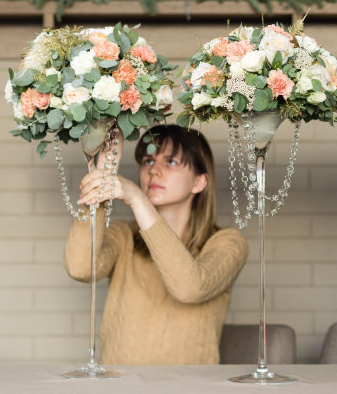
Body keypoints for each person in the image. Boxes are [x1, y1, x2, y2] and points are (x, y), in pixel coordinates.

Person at [64, 124, 248, 364]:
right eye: (148, 161)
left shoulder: (228, 243)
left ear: (199, 182)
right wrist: (102, 174)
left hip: (190, 387)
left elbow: (190, 288)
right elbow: (80, 268)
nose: (154, 171)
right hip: (120, 386)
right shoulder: (125, 236)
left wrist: (136, 197)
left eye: (171, 162)